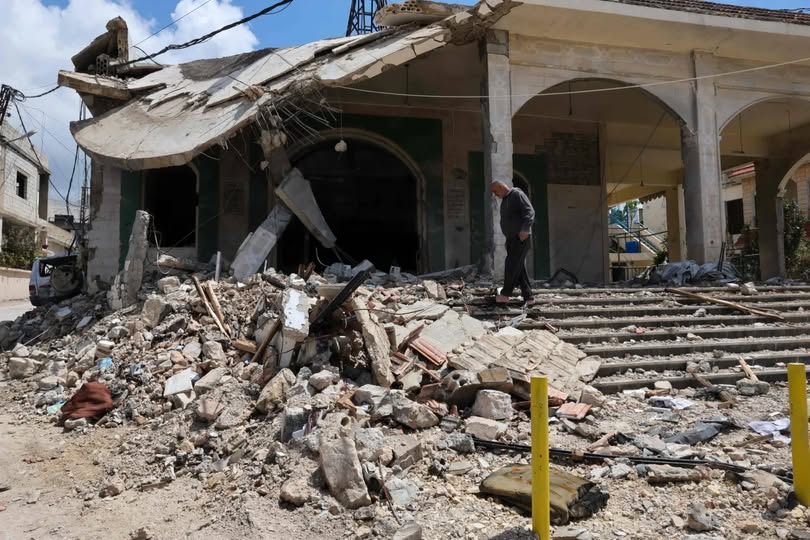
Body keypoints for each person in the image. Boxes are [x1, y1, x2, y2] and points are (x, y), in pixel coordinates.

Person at [490, 181, 535, 304]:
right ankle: (529, 297)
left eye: (495, 191)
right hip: (511, 238)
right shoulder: (506, 199)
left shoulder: (516, 194)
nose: (495, 194)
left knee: (511, 265)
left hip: (520, 237)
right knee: (519, 268)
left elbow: (530, 211)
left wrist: (525, 229)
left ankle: (505, 294)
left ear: (501, 187)